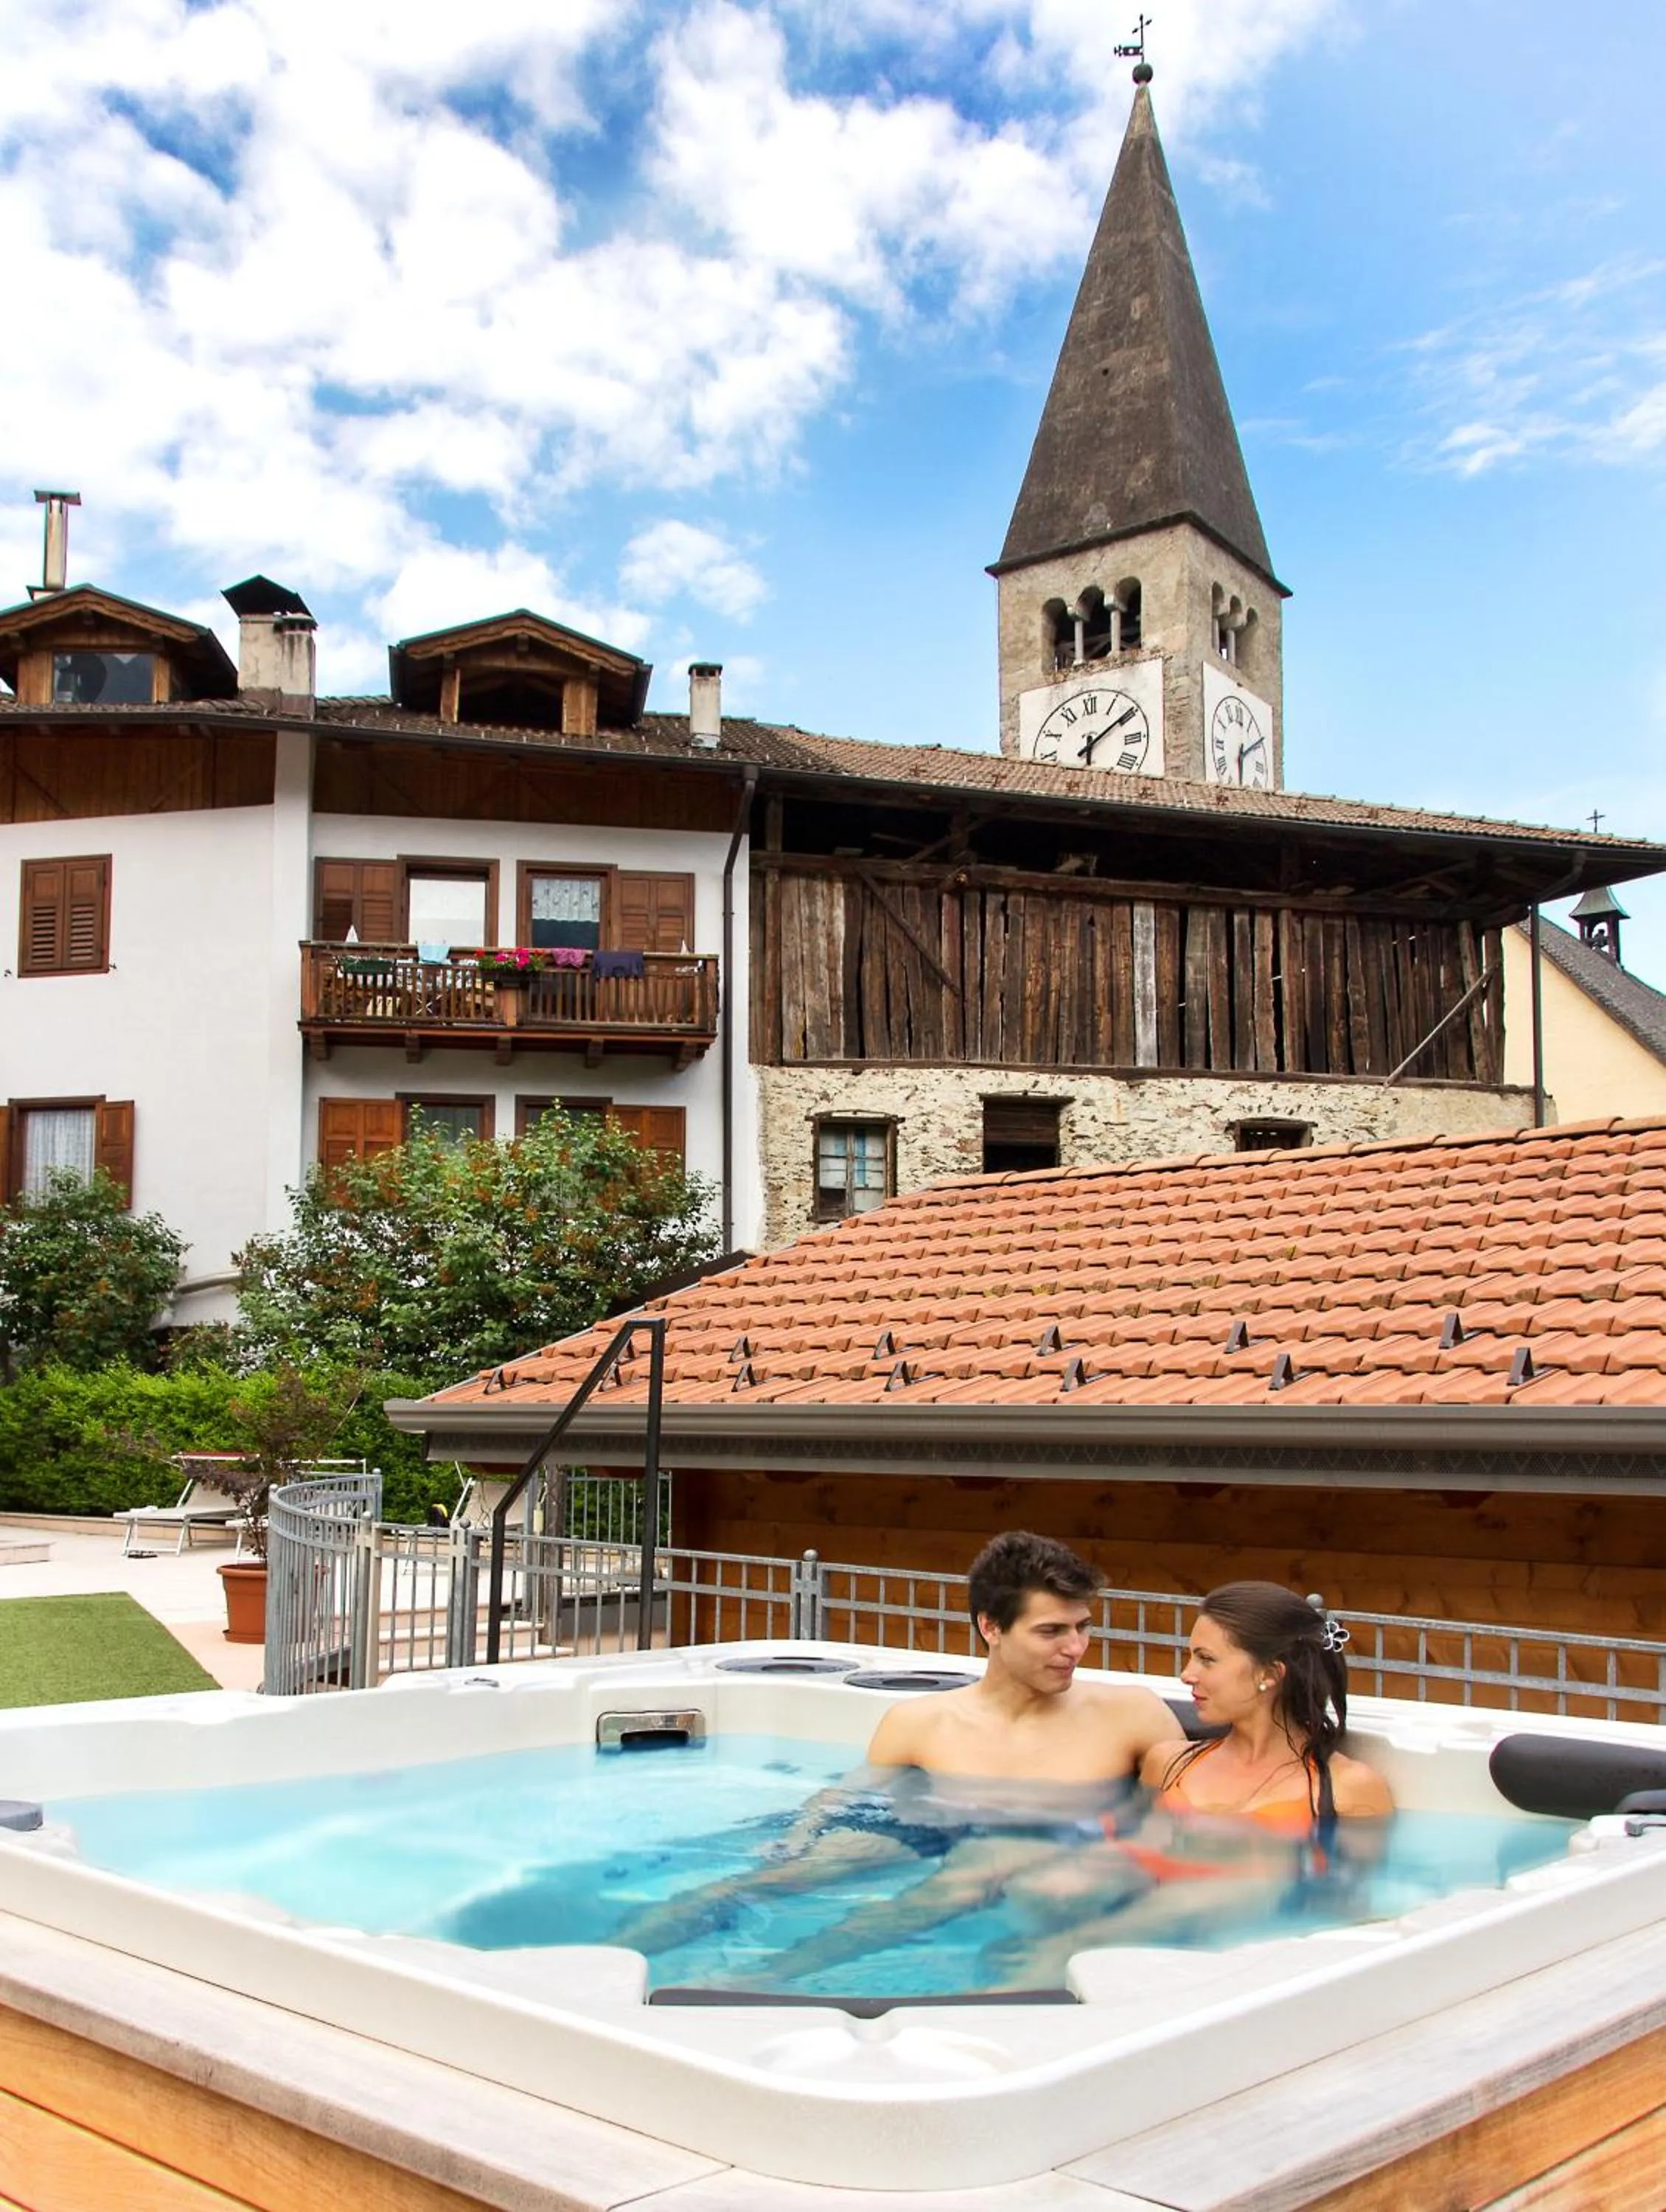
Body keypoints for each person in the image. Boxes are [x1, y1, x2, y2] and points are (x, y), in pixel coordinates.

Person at [615, 1531, 1184, 1968]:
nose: (1076, 1648)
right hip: (927, 1828)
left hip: (1046, 1847)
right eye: (1051, 1632)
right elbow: (850, 1795)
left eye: (1082, 1627)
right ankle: (609, 1961)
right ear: (991, 1627)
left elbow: (1196, 1812)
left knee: (929, 1902)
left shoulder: (1131, 1714)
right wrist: (800, 1835)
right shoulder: (921, 1721)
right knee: (756, 1884)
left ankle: (756, 1981)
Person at [982, 1581, 1394, 1983]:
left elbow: (1348, 1905)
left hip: (1240, 1941)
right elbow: (1128, 1844)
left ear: (1268, 1675)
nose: (1186, 1674)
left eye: (1206, 1659)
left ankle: (1063, 1954)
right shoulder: (1171, 1762)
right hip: (1142, 1916)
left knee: (1238, 1882)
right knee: (1032, 1879)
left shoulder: (1346, 1789)